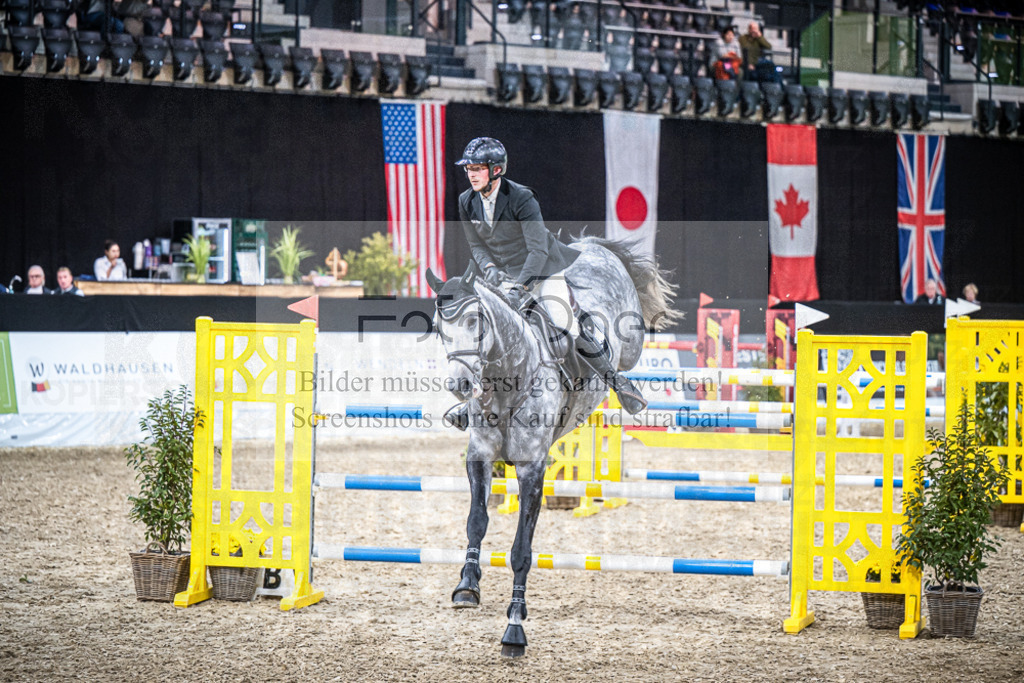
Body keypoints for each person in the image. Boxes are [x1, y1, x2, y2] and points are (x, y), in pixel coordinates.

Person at [447, 137, 647, 431]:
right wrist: (489, 268)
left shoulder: (522, 198)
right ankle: (473, 401)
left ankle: (618, 383)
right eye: (469, 169)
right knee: (487, 330)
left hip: (542, 270)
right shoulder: (467, 201)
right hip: (501, 275)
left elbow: (538, 250)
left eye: (477, 168)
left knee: (563, 322)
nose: (471, 174)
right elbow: (476, 245)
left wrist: (522, 287)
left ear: (496, 170)